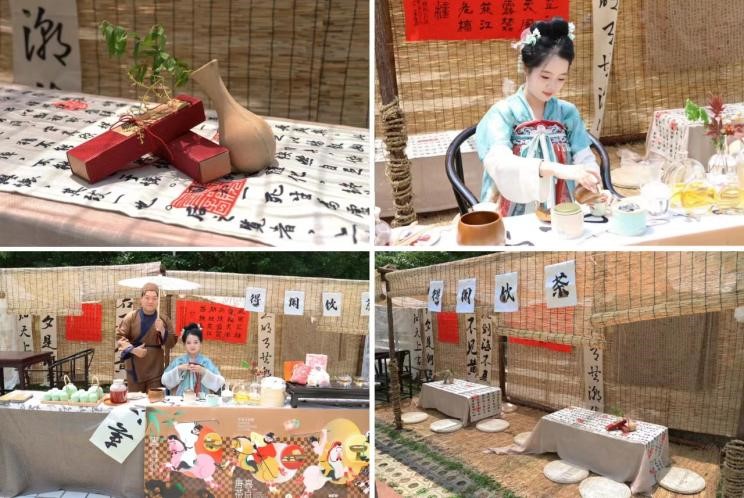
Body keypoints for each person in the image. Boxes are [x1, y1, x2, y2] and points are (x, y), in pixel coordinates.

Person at [475, 17, 602, 219]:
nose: (552, 86)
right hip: (512, 215)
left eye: (561, 78)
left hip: (562, 213)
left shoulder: (567, 113)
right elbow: (500, 163)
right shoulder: (504, 113)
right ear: (527, 69)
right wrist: (557, 169)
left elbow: (584, 159)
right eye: (545, 76)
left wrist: (591, 179)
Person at [116, 282, 176, 392]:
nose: (150, 301)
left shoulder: (163, 319)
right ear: (141, 299)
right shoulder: (131, 317)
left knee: (154, 398)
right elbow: (120, 337)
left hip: (155, 367)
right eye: (147, 298)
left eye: (154, 298)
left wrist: (162, 330)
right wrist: (133, 350)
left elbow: (171, 343)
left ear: (158, 300)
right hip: (135, 366)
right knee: (135, 399)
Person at [162, 323, 225, 396]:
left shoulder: (206, 362)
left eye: (195, 342)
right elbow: (164, 380)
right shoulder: (179, 361)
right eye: (188, 343)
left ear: (201, 343)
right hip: (181, 398)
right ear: (184, 344)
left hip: (202, 398)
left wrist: (203, 371)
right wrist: (179, 369)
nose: (192, 345)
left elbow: (220, 382)